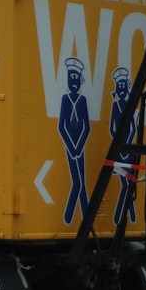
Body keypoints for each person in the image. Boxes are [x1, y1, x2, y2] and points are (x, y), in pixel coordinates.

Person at [58, 56, 90, 224]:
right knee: (78, 181)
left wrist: (79, 146)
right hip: (70, 144)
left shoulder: (83, 100)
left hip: (80, 144)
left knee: (81, 181)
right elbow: (61, 126)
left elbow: (87, 127)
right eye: (71, 77)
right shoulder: (65, 99)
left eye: (76, 78)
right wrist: (72, 147)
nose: (74, 81)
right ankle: (73, 216)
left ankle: (81, 217)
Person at [109, 66, 138, 224]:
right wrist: (119, 146)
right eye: (118, 86)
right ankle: (126, 217)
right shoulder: (115, 105)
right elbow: (112, 128)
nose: (121, 88)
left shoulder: (128, 105)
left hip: (127, 149)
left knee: (127, 183)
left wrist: (127, 146)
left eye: (123, 86)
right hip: (120, 151)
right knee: (126, 183)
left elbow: (133, 127)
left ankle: (123, 218)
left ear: (127, 88)